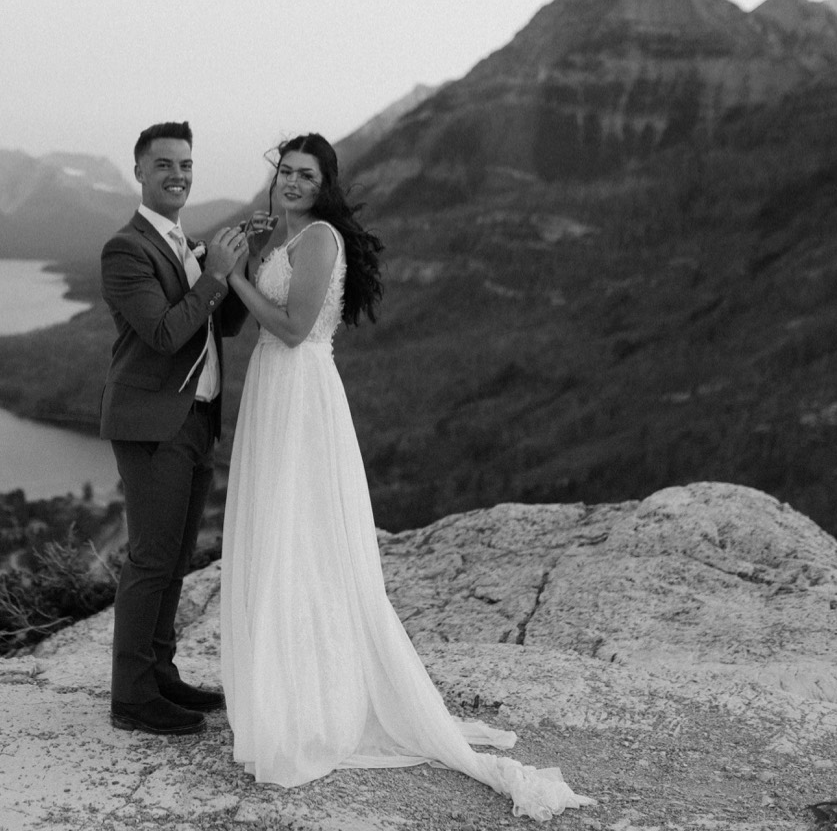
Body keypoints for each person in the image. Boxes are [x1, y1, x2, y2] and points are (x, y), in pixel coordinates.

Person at [219, 133, 595, 821]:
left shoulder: (321, 239)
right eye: (286, 173)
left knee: (305, 542)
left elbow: (296, 328)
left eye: (306, 174)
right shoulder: (282, 235)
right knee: (280, 538)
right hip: (273, 393)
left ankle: (318, 704)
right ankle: (284, 694)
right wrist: (247, 257)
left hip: (301, 392)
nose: (293, 182)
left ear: (325, 183)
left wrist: (235, 277)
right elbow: (258, 327)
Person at [100, 121, 250, 736]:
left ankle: (159, 676)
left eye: (186, 165)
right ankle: (131, 698)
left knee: (176, 558)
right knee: (151, 558)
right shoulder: (126, 249)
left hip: (196, 421)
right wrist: (212, 273)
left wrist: (240, 265)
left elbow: (226, 325)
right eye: (164, 165)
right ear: (139, 172)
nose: (178, 175)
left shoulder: (185, 243)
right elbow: (163, 333)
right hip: (152, 425)